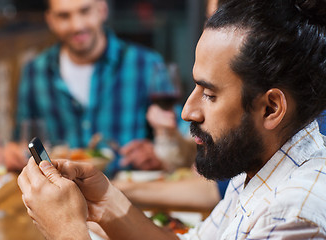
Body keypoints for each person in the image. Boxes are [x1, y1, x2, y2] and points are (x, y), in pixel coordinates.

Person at [18, 0, 326, 239]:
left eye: (209, 93)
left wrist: (66, 232)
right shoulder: (259, 164)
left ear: (271, 108)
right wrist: (106, 201)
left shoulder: (293, 213)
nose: (187, 111)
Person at [5, 0, 188, 175]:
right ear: (50, 20)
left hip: (129, 194)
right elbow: (23, 140)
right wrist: (13, 153)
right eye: (64, 16)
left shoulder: (145, 64)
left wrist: (159, 152)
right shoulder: (35, 71)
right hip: (60, 193)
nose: (77, 25)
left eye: (85, 11)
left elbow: (180, 140)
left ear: (102, 10)